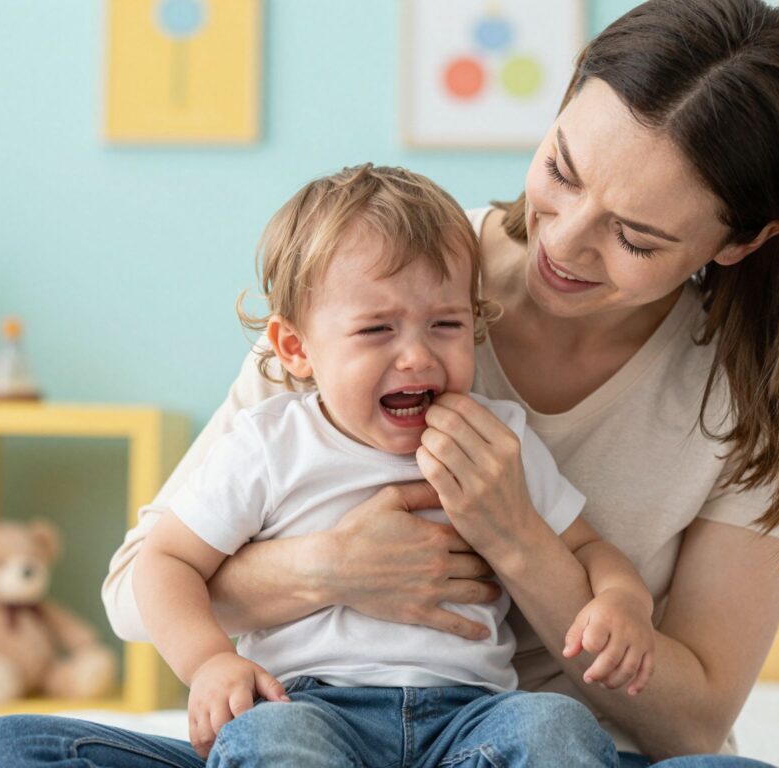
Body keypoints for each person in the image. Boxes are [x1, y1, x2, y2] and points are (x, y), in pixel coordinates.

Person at [0, 0, 779, 766]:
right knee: (0, 753)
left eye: (634, 238)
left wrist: (522, 546)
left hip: (528, 740)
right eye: (560, 168)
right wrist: (326, 570)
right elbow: (134, 589)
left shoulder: (752, 401)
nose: (561, 239)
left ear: (741, 243)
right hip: (307, 726)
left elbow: (692, 725)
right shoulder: (379, 275)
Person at [134, 163, 655, 766]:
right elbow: (165, 560)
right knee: (260, 739)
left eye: (446, 324)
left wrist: (623, 601)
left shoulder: (494, 439)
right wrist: (208, 660)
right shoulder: (270, 444)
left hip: (469, 716)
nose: (416, 355)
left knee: (556, 724)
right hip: (312, 710)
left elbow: (589, 548)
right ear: (296, 349)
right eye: (376, 329)